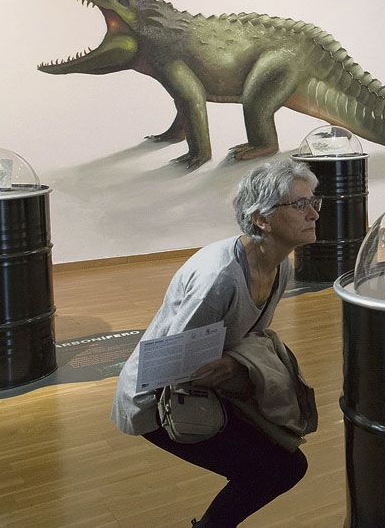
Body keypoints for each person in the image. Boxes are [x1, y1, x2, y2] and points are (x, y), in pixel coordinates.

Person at [111, 159, 321, 527]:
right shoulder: (219, 277)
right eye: (299, 204)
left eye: (314, 201)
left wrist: (237, 367)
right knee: (279, 468)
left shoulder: (280, 264)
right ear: (262, 219)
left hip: (210, 387)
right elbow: (175, 361)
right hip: (157, 400)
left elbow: (244, 338)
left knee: (282, 465)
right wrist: (234, 369)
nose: (313, 214)